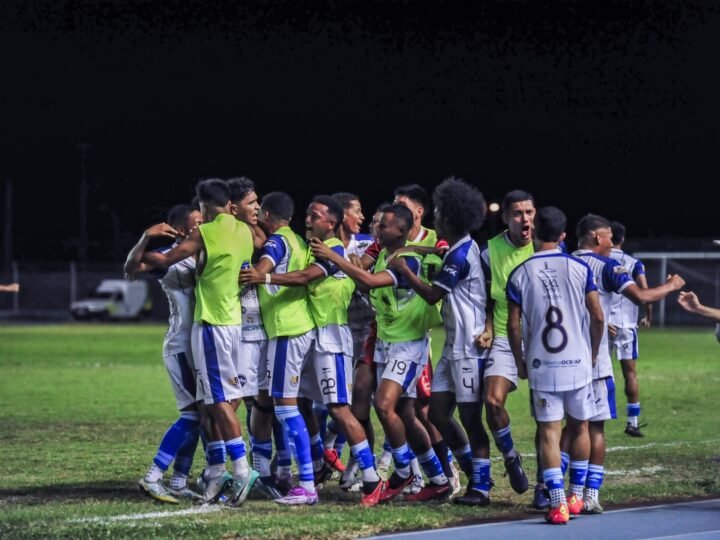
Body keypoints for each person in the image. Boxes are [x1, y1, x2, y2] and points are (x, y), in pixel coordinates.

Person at [241, 195, 383, 507]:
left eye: (314, 216)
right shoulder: (312, 247)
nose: (307, 220)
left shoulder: (333, 250)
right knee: (297, 404)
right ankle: (308, 469)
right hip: (315, 338)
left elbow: (306, 277)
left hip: (331, 338)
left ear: (331, 222)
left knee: (338, 409)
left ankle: (370, 476)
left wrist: (264, 277)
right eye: (307, 214)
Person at [311, 203, 450, 503]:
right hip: (387, 342)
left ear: (401, 229)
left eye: (382, 225)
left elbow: (370, 281)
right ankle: (438, 478)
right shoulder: (389, 254)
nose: (376, 228)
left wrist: (334, 257)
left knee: (384, 405)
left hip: (408, 344)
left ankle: (403, 471)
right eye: (374, 223)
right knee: (404, 413)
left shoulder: (406, 261)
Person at [142, 178, 259, 506]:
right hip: (235, 324)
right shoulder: (244, 233)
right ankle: (215, 471)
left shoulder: (204, 234)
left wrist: (146, 240)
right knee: (217, 402)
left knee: (217, 402)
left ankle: (240, 469)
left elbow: (164, 260)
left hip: (210, 325)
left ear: (205, 206)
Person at [388, 177, 494, 506]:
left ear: (452, 216)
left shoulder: (460, 256)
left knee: (471, 419)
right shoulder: (460, 245)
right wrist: (409, 250)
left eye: (439, 212)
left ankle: (482, 486)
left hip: (467, 349)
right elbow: (435, 250)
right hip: (453, 346)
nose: (435, 217)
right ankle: (470, 470)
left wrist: (406, 270)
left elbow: (433, 293)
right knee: (436, 413)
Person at [572, 213, 685, 513]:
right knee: (595, 429)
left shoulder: (563, 261)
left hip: (563, 361)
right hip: (595, 364)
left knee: (565, 429)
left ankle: (558, 492)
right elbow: (642, 295)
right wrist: (672, 286)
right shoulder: (609, 265)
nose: (612, 242)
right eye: (608, 235)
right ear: (598, 237)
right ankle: (590, 495)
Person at [507, 207, 605, 524]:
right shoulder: (579, 267)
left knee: (549, 432)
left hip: (542, 363)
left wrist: (520, 361)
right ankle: (577, 496)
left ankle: (558, 503)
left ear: (534, 232)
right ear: (563, 236)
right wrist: (591, 352)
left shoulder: (520, 272)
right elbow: (598, 315)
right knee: (580, 426)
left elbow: (513, 326)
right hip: (578, 361)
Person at [125, 203, 204, 504]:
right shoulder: (171, 258)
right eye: (197, 222)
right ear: (182, 229)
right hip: (180, 344)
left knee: (201, 415)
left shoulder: (204, 253)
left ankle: (180, 480)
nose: (203, 226)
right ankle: (153, 476)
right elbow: (131, 267)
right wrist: (146, 236)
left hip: (199, 344)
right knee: (193, 414)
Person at [247, 191, 319, 506]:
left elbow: (266, 261)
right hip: (294, 328)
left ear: (266, 214)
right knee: (279, 405)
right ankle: (277, 473)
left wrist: (258, 274)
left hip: (287, 329)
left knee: (287, 408)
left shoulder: (277, 242)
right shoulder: (298, 241)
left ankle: (307, 485)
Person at [227, 177, 287, 500]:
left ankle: (261, 471)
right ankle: (221, 469)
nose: (257, 209)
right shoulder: (228, 233)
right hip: (236, 329)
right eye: (252, 203)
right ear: (233, 207)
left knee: (263, 400)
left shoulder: (257, 234)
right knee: (229, 401)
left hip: (258, 329)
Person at [480, 189, 535, 499]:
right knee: (492, 401)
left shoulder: (547, 246)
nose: (524, 219)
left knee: (548, 416)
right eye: (518, 213)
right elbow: (487, 298)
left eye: (529, 212)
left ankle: (547, 485)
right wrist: (487, 327)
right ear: (506, 218)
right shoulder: (489, 252)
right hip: (503, 336)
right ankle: (511, 456)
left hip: (544, 341)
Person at [607, 221, 652, 437]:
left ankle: (596, 420)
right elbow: (645, 292)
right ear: (622, 239)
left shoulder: (599, 260)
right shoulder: (633, 263)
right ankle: (632, 423)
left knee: (599, 374)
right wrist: (648, 316)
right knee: (630, 374)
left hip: (603, 324)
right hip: (626, 325)